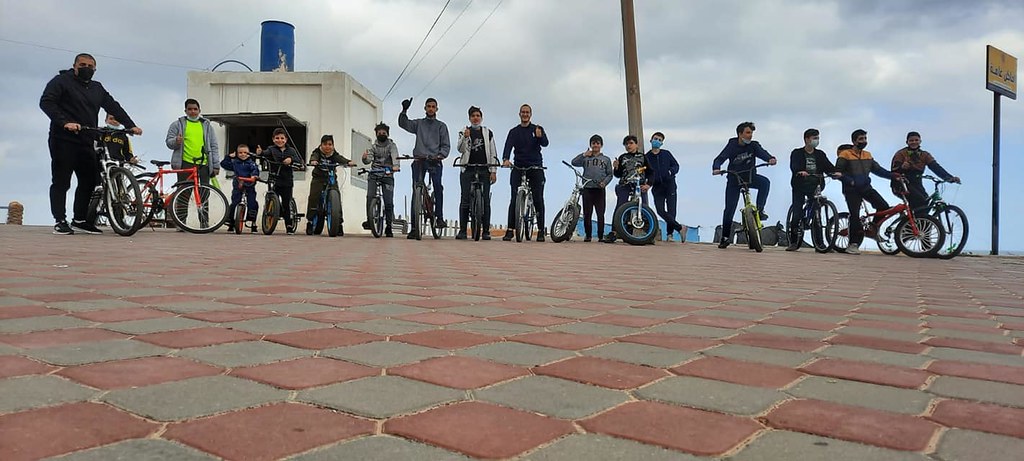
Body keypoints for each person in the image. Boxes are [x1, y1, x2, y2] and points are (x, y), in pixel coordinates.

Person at [40, 53, 143, 235]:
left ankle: (80, 220)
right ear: (75, 66)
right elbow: (46, 102)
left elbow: (113, 106)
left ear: (95, 69)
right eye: (83, 64)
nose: (86, 68)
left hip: (88, 139)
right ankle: (60, 220)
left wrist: (130, 125)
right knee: (61, 181)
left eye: (90, 65)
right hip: (63, 139)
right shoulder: (61, 81)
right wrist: (65, 122)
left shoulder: (97, 88)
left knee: (89, 181)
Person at [711, 121, 777, 249]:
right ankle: (725, 238)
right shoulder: (732, 145)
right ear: (740, 134)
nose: (750, 135)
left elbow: (763, 153)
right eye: (747, 133)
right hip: (734, 179)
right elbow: (720, 158)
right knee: (729, 208)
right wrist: (716, 168)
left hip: (750, 176)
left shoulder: (754, 146)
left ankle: (760, 209)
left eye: (751, 133)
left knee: (765, 183)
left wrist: (770, 159)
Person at [836, 129, 894, 255]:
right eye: (861, 139)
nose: (864, 141)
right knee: (855, 215)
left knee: (883, 206)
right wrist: (849, 181)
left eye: (865, 139)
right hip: (851, 189)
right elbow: (838, 172)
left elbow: (878, 170)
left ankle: (872, 229)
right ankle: (853, 244)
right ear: (854, 141)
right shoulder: (845, 154)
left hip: (866, 187)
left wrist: (894, 176)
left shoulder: (867, 155)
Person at [399, 97, 450, 239]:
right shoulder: (419, 124)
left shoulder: (441, 126)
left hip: (434, 161)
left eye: (433, 106)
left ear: (437, 109)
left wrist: (440, 155)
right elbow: (404, 124)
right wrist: (404, 110)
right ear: (425, 108)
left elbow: (446, 146)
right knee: (416, 190)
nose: (431, 109)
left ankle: (439, 217)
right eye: (428, 106)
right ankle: (414, 228)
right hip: (419, 160)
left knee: (438, 186)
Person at [785, 128, 840, 251]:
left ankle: (820, 244)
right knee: (797, 212)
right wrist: (800, 171)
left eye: (817, 138)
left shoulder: (820, 154)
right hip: (800, 185)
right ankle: (794, 242)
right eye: (814, 138)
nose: (816, 140)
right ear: (806, 140)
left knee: (817, 214)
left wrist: (835, 173)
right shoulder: (797, 153)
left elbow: (828, 166)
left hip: (816, 185)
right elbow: (794, 166)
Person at [502, 104, 549, 242]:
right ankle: (510, 230)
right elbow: (508, 146)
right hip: (518, 166)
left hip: (535, 167)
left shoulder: (537, 129)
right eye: (523, 112)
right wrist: (505, 159)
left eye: (527, 112)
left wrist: (540, 137)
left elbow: (545, 144)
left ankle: (540, 230)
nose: (525, 114)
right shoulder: (514, 132)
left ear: (531, 114)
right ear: (519, 114)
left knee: (538, 198)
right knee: (514, 198)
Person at [454, 106, 500, 240]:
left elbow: (492, 152)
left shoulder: (487, 132)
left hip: (484, 168)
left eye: (478, 115)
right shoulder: (463, 131)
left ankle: (485, 231)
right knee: (465, 199)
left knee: (485, 200)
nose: (476, 118)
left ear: (481, 117)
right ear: (469, 118)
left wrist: (493, 170)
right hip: (467, 168)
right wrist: (465, 138)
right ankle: (463, 230)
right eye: (473, 116)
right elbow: (460, 149)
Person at [891, 131, 960, 212]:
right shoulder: (901, 153)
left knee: (926, 201)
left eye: (916, 140)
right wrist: (902, 168)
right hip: (901, 183)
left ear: (920, 141)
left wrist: (950, 178)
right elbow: (893, 170)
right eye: (911, 140)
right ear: (907, 142)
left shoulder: (925, 155)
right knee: (918, 199)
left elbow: (935, 167)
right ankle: (909, 222)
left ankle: (920, 222)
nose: (914, 142)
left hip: (917, 183)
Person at [602, 135, 652, 243]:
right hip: (625, 184)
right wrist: (616, 167)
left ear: (636, 145)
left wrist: (649, 185)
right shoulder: (622, 157)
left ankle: (648, 234)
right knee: (620, 207)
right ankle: (614, 232)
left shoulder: (643, 157)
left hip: (639, 185)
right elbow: (618, 174)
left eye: (631, 143)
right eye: (626, 144)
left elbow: (651, 172)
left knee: (644, 207)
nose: (628, 146)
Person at [306, 134, 356, 235]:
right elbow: (314, 156)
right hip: (319, 178)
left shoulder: (334, 154)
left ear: (333, 145)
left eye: (330, 144)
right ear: (321, 145)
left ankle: (339, 224)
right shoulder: (317, 152)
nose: (327, 147)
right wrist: (313, 161)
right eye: (325, 144)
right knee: (313, 197)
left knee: (337, 198)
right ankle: (310, 222)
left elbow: (340, 159)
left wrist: (348, 162)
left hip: (331, 178)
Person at [256, 128, 302, 234]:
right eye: (277, 138)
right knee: (271, 197)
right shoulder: (271, 149)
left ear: (286, 139)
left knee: (286, 203)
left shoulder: (291, 151)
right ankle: (272, 214)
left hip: (287, 180)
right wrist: (260, 152)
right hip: (274, 179)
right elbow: (264, 154)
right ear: (273, 139)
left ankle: (289, 225)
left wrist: (290, 160)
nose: (279, 140)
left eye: (282, 138)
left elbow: (298, 161)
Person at [165, 99, 220, 186]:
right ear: (185, 111)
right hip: (185, 163)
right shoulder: (177, 124)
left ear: (199, 110)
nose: (192, 111)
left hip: (204, 163)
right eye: (190, 109)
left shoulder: (206, 125)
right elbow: (169, 142)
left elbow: (214, 146)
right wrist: (176, 141)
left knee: (204, 193)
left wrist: (216, 165)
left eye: (195, 109)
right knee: (184, 193)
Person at [571, 135, 614, 242]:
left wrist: (605, 183)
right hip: (587, 189)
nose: (595, 145)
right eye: (593, 143)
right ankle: (588, 235)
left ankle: (600, 236)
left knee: (600, 214)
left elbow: (610, 174)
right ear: (590, 145)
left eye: (598, 143)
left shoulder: (606, 159)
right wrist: (584, 154)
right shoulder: (586, 158)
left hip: (599, 189)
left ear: (601, 145)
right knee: (587, 213)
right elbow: (574, 162)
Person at [645, 132, 684, 241]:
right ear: (651, 140)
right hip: (657, 187)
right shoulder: (647, 157)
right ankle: (680, 228)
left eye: (659, 140)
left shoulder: (666, 154)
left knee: (672, 211)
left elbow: (676, 165)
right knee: (660, 210)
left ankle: (669, 234)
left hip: (670, 184)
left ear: (662, 143)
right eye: (655, 139)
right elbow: (646, 172)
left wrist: (670, 172)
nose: (657, 141)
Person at [220, 144, 260, 233]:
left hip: (249, 184)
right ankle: (231, 221)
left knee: (252, 202)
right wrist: (228, 157)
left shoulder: (251, 163)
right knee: (235, 201)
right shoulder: (235, 163)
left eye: (245, 152)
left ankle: (252, 221)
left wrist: (254, 176)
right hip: (238, 184)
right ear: (237, 154)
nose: (243, 154)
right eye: (240, 153)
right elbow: (224, 164)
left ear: (249, 154)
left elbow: (255, 170)